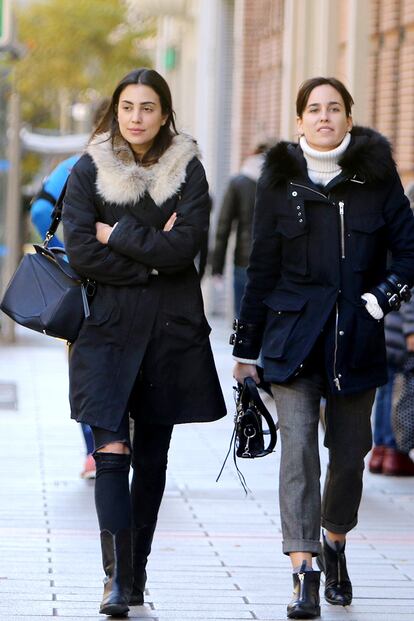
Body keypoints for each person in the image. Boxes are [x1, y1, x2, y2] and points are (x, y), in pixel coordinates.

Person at [231, 76, 414, 619]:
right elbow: (260, 267)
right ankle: (303, 570)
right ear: (299, 120)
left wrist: (381, 300)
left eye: (334, 108)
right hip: (292, 340)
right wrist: (246, 349)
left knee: (349, 456)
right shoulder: (278, 183)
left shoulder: (377, 179)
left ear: (349, 119)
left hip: (356, 339)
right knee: (298, 455)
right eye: (314, 108)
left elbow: (408, 253)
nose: (324, 116)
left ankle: (335, 541)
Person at [62, 68, 226, 616]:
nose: (137, 118)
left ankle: (136, 576)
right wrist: (150, 261)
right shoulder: (89, 168)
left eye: (148, 107)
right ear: (116, 110)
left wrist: (124, 237)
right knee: (111, 452)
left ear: (164, 113)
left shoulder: (189, 169)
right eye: (128, 107)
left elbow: (185, 249)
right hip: (105, 331)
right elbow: (82, 249)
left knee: (152, 460)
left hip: (168, 334)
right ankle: (114, 581)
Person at [369, 181, 414, 475]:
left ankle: (380, 450)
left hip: (386, 319)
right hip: (400, 325)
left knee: (386, 387)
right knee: (397, 388)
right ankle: (392, 449)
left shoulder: (391, 229)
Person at [211, 144, 267, 316]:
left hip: (244, 261)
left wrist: (217, 268)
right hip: (275, 262)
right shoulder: (280, 182)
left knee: (243, 320)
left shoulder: (238, 183)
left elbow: (223, 228)